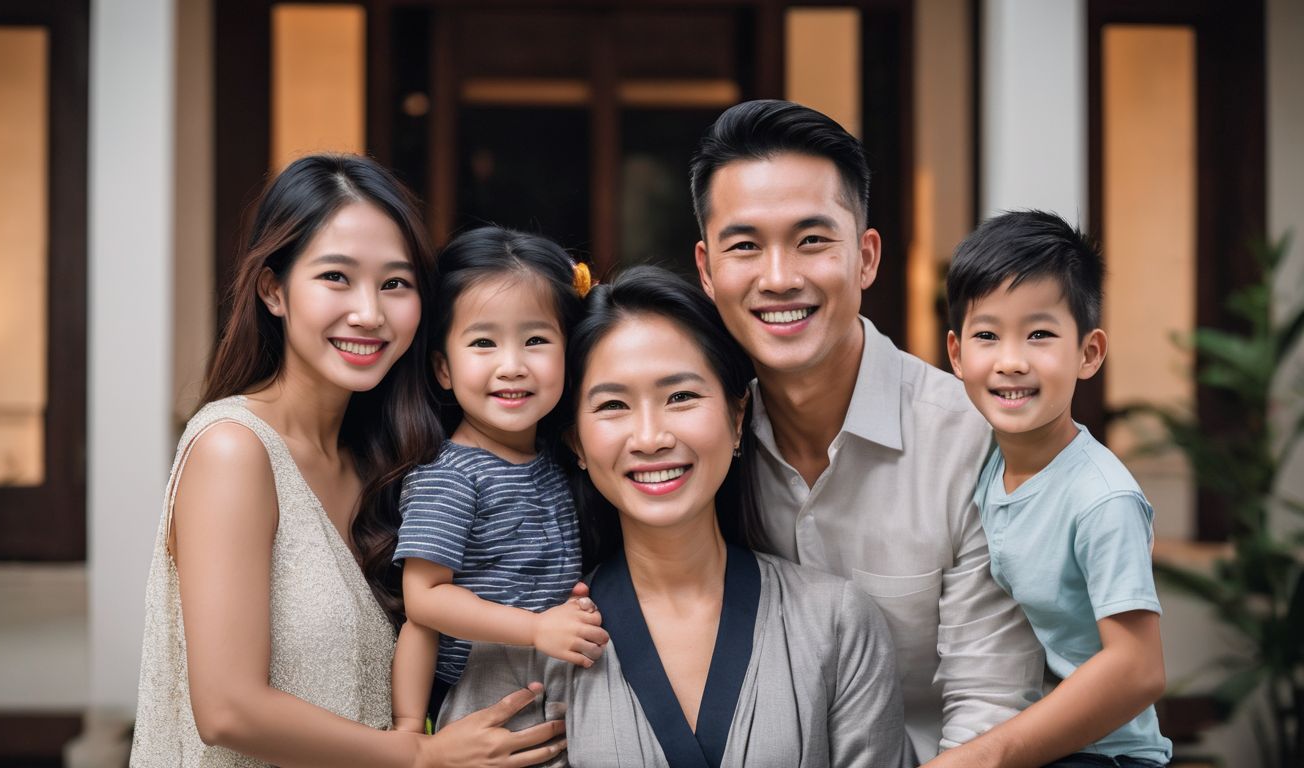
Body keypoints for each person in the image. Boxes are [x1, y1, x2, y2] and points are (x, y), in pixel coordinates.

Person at [131, 154, 567, 767]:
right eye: (336, 277)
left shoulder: (385, 460)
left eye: (395, 283)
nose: (369, 312)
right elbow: (227, 707)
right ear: (273, 289)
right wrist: (420, 755)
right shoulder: (234, 449)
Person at [436, 266, 911, 768]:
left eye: (680, 397)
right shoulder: (526, 639)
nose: (650, 437)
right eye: (613, 404)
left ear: (737, 416)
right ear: (575, 440)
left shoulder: (837, 623)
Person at [689, 99, 1044, 761]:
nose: (778, 277)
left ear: (866, 257)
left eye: (812, 240)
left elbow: (989, 706)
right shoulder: (694, 443)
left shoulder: (974, 442)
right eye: (745, 246)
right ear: (708, 270)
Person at [928, 210, 1171, 768]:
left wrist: (985, 757)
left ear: (1088, 353)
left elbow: (1139, 669)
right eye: (987, 335)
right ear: (957, 354)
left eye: (1040, 334)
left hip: (1107, 755)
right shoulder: (987, 461)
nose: (1011, 361)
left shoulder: (1101, 498)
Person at [391, 227, 607, 733]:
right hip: (480, 693)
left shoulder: (564, 459)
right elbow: (423, 601)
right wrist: (407, 731)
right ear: (443, 368)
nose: (512, 366)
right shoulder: (451, 476)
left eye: (535, 340)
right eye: (483, 343)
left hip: (557, 683)